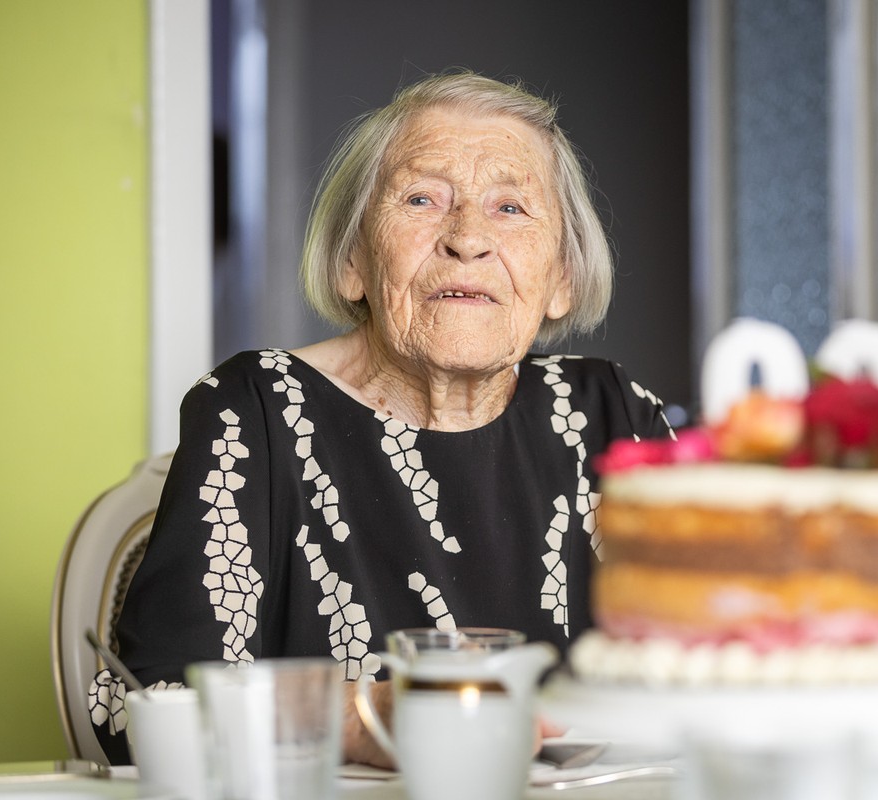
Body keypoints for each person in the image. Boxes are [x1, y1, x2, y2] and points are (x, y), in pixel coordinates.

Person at [90, 71, 673, 766]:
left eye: (511, 208)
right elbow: (147, 703)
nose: (468, 239)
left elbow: (734, 667)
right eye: (423, 198)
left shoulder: (613, 415)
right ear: (351, 264)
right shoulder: (255, 411)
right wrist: (362, 718)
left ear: (563, 279)